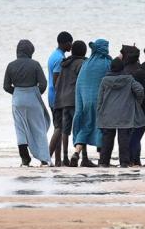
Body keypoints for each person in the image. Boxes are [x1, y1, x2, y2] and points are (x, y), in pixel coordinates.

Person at [3, 39, 51, 166]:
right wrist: (35, 93)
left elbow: (6, 86)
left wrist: (18, 92)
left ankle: (25, 159)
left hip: (18, 99)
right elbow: (43, 83)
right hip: (33, 98)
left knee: (20, 129)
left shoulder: (10, 65)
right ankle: (44, 160)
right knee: (39, 127)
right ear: (30, 51)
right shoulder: (35, 64)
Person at [96, 58, 145, 167]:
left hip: (108, 114)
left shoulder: (105, 80)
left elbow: (99, 99)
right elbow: (140, 90)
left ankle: (104, 162)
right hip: (125, 113)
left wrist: (99, 112)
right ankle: (124, 162)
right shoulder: (129, 79)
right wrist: (137, 102)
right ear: (122, 67)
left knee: (107, 140)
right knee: (124, 139)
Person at [70, 39, 111, 167]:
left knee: (85, 126)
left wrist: (80, 105)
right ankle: (101, 158)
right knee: (101, 128)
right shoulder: (107, 63)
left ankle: (76, 153)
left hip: (85, 101)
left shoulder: (86, 64)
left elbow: (79, 85)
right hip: (101, 102)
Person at [53, 40, 87, 166]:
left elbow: (58, 83)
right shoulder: (82, 63)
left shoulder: (65, 63)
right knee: (82, 128)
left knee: (65, 130)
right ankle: (83, 157)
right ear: (84, 52)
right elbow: (83, 82)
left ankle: (65, 157)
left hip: (62, 101)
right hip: (74, 100)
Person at [47, 31, 73, 166]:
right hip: (57, 97)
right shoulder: (59, 59)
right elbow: (57, 82)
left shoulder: (55, 55)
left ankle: (57, 161)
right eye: (70, 42)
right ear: (64, 43)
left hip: (51, 96)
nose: (71, 45)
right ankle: (47, 157)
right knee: (60, 127)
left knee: (58, 126)